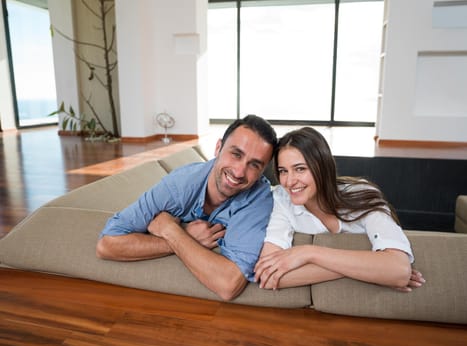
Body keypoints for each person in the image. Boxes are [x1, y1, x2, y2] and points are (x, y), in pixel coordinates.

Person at [96, 115, 277, 301]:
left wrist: (172, 231)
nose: (239, 172)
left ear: (262, 172)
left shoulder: (259, 198)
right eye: (236, 154)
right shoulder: (179, 185)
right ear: (218, 148)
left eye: (254, 165)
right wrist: (184, 239)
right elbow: (106, 244)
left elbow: (228, 285)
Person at [254, 127, 425, 292]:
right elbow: (268, 277)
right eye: (283, 171)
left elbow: (399, 271)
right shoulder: (282, 200)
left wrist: (308, 253)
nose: (289, 181)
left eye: (300, 169)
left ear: (322, 167)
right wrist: (370, 270)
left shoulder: (364, 195)